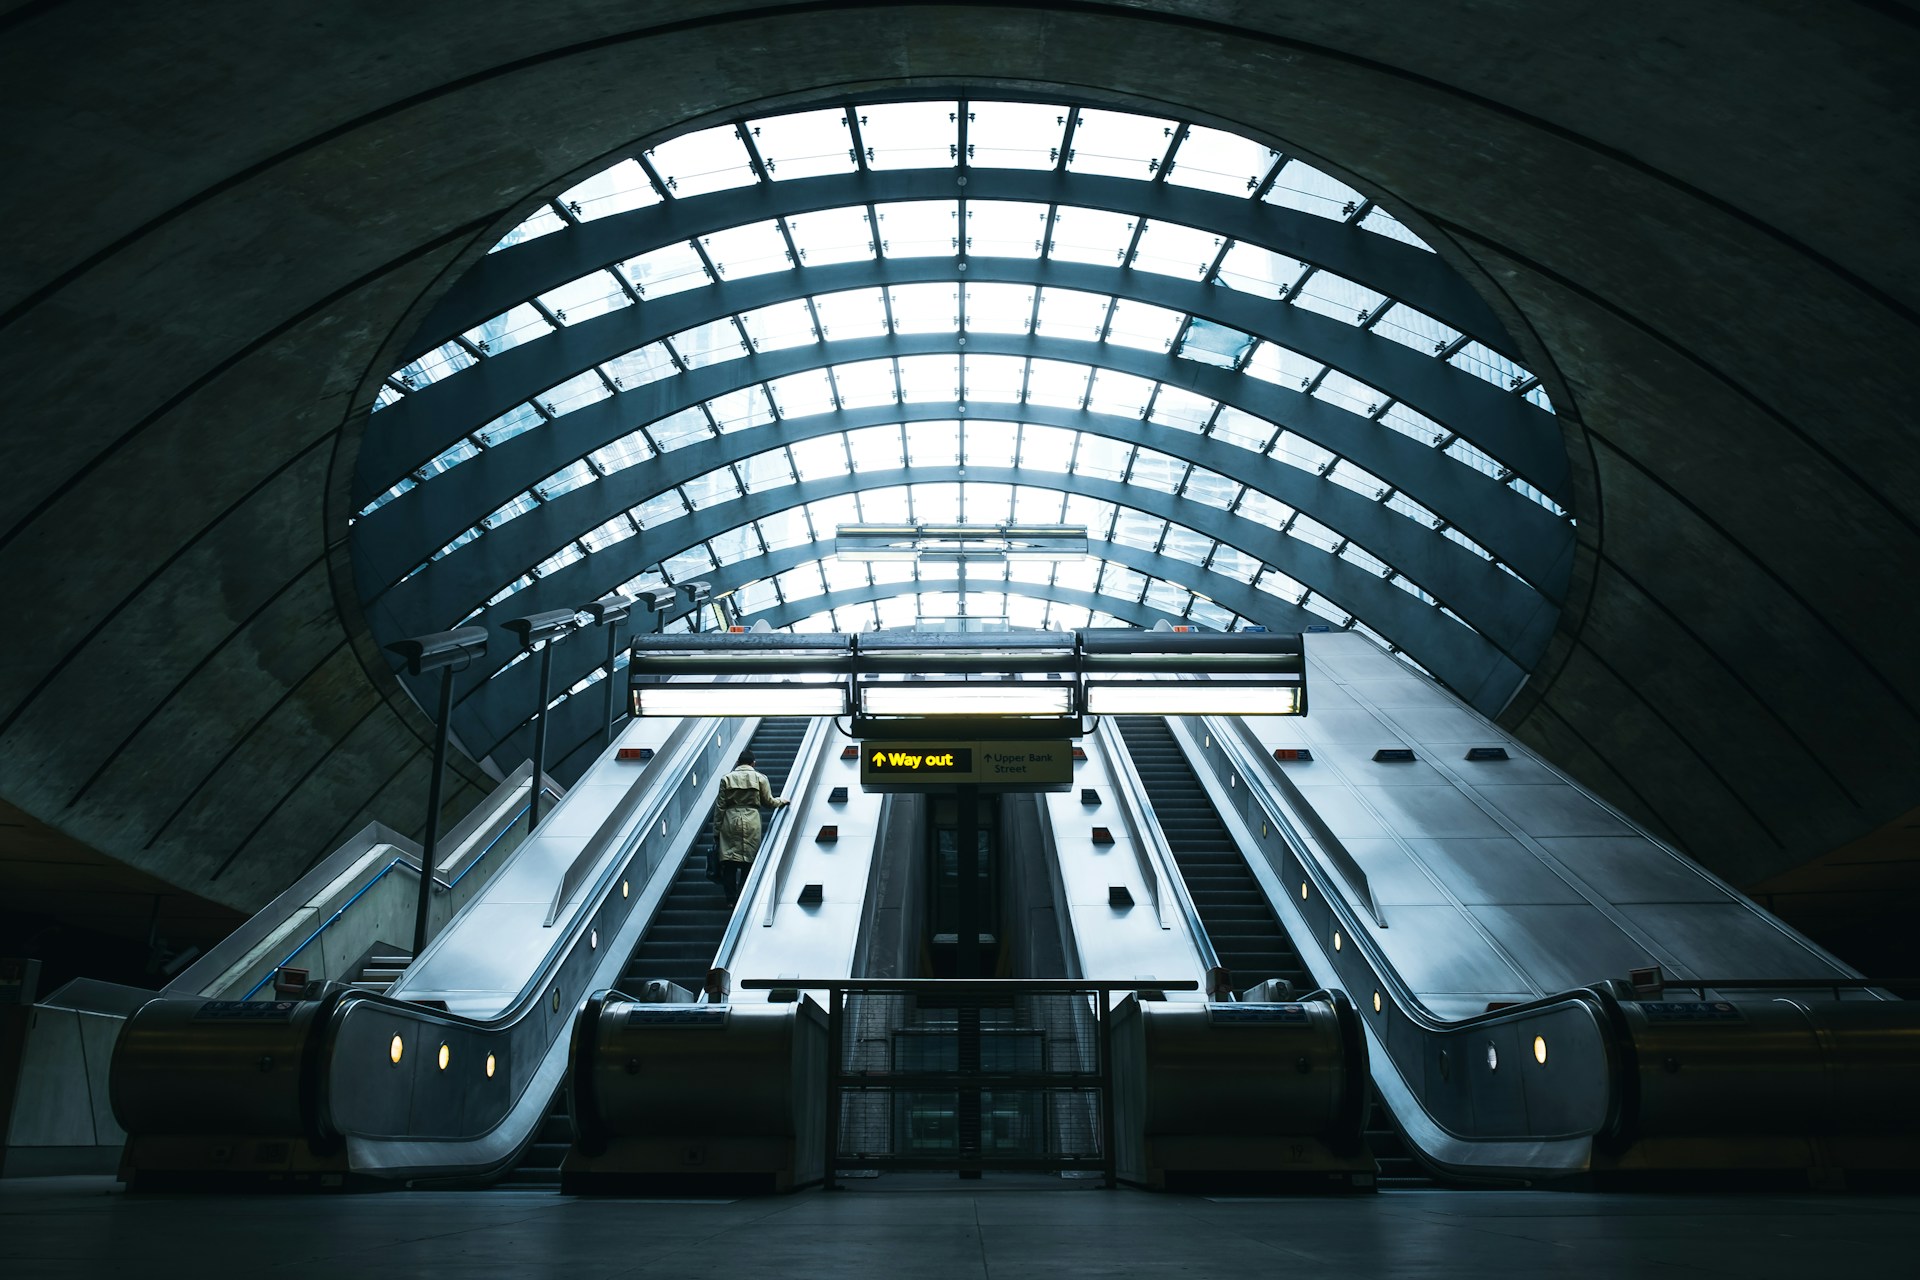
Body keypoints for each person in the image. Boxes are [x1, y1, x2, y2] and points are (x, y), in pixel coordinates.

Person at [711, 750, 789, 906]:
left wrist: (716, 831)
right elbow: (769, 802)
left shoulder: (726, 779)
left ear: (738, 763)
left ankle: (731, 900)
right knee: (749, 860)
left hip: (730, 820)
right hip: (752, 820)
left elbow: (720, 807)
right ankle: (743, 897)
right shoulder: (760, 778)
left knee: (730, 863)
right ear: (754, 763)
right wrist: (782, 801)